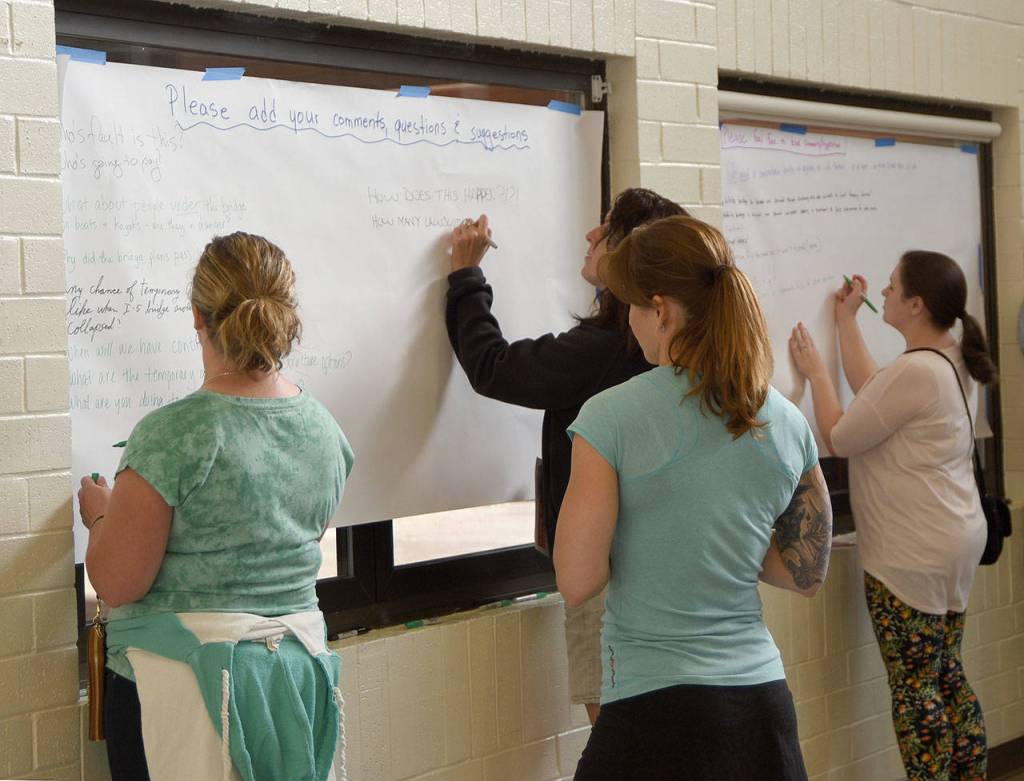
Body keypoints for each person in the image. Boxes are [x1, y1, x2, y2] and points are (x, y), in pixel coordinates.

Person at [555, 215, 831, 780]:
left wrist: (669, 535)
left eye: (629, 307)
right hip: (761, 708)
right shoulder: (784, 418)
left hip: (654, 709)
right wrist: (716, 535)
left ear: (660, 310)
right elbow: (806, 572)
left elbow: (576, 579)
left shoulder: (610, 417)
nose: (629, 323)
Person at [78, 232, 354, 781]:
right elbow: (289, 535)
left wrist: (102, 517)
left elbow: (117, 582)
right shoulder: (323, 428)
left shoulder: (174, 434)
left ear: (197, 316)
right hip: (294, 679)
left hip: (187, 687)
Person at [446, 188, 686, 725]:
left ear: (632, 254)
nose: (590, 236)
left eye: (605, 227)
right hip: (652, 572)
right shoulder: (650, 351)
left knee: (619, 743)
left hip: (608, 577)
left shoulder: (609, 350)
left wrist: (465, 277)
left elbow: (495, 367)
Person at [789, 251, 994, 781]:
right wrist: (846, 320)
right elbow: (876, 394)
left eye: (891, 287)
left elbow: (838, 434)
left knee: (915, 689)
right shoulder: (948, 358)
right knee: (946, 673)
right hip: (951, 542)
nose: (882, 293)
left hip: (913, 554)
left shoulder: (916, 371)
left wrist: (815, 373)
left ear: (916, 304)